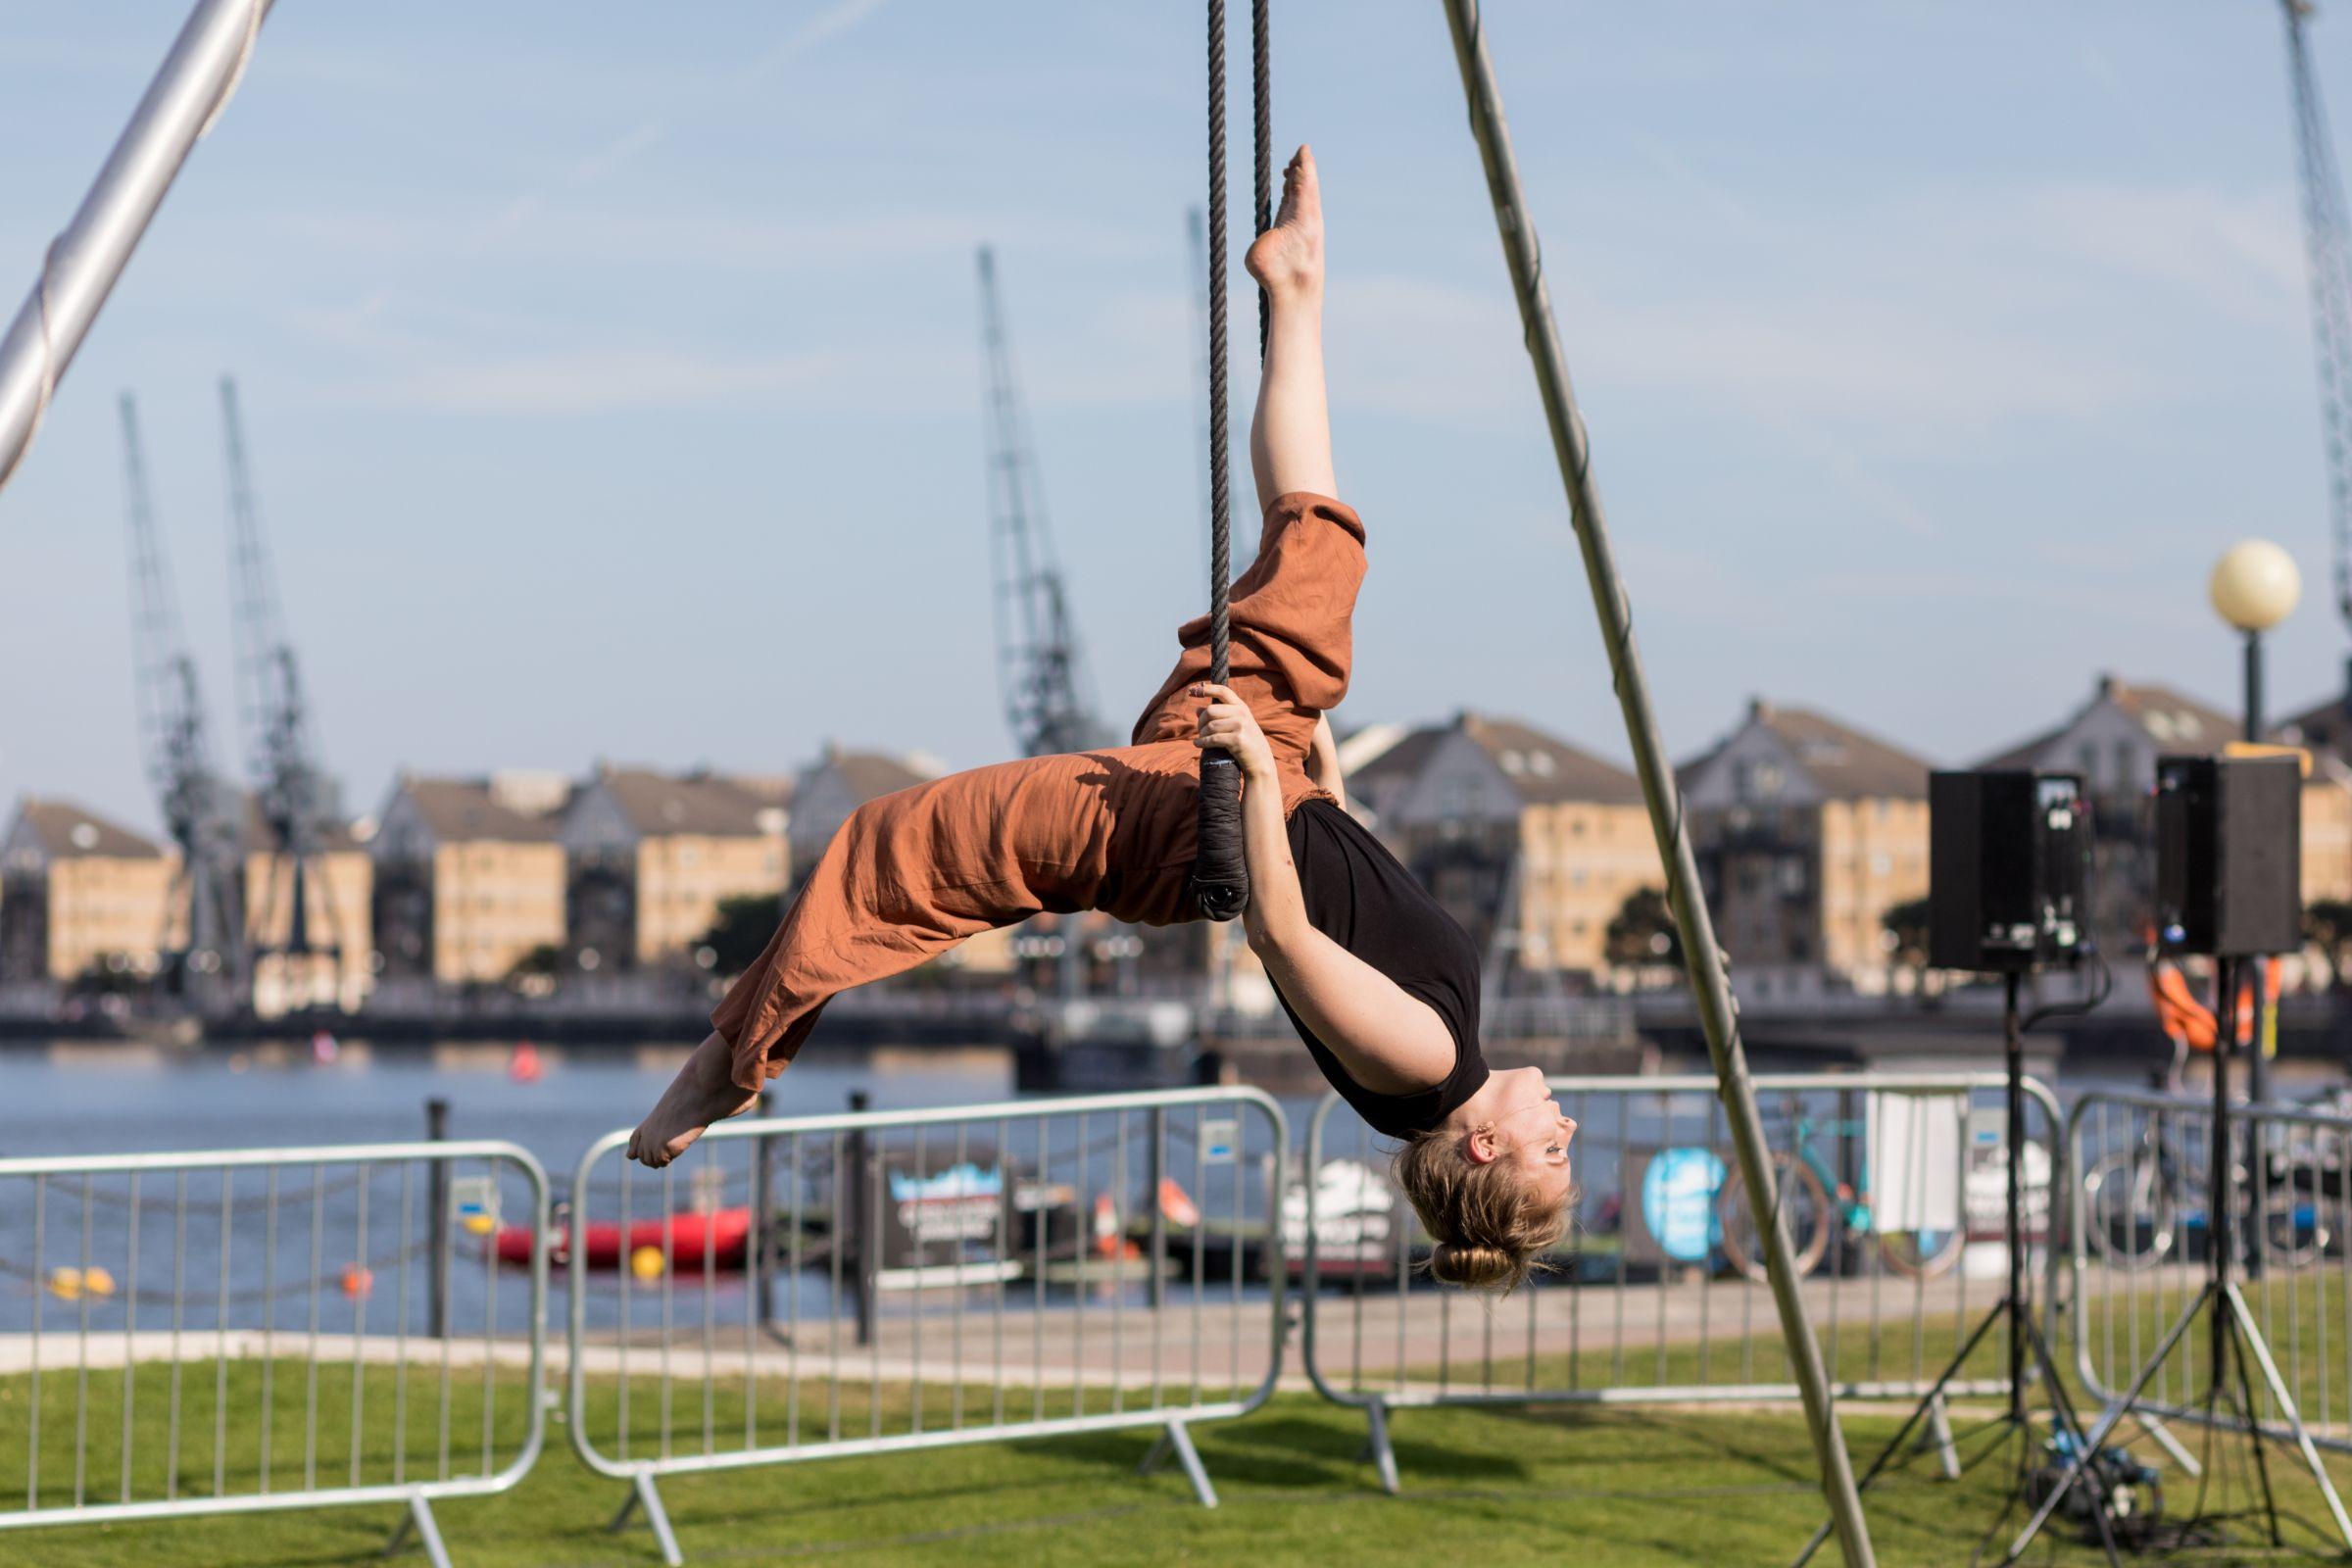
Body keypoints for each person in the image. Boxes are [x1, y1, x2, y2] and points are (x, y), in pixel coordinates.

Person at [628, 146, 1578, 1292]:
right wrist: (1316, 773)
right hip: (1265, 774)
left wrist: (1267, 786)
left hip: (1196, 818)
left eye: (1550, 1154)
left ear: (1484, 1146)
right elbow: (1352, 891)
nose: (1566, 1128)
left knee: (900, 842)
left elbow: (1283, 933)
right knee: (1317, 545)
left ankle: (732, 1060)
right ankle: (1296, 289)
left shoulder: (1430, 1062)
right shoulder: (1442, 1049)